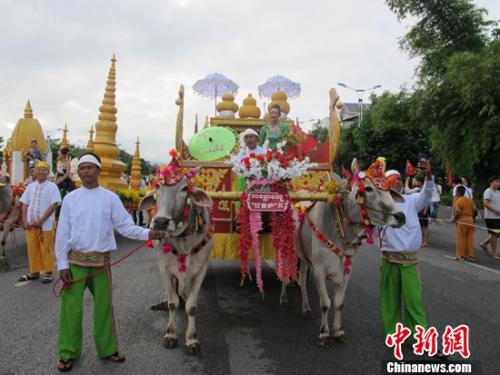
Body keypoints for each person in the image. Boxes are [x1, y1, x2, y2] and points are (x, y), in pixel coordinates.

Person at [55, 153, 164, 372]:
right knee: (71, 309)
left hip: (100, 263)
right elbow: (62, 233)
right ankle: (67, 353)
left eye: (89, 167)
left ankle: (108, 349)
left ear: (98, 170)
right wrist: (62, 265)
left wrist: (148, 233)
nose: (85, 171)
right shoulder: (70, 199)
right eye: (82, 168)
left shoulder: (110, 198)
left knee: (104, 308)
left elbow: (125, 226)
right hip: (75, 262)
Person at [378, 161, 444, 358]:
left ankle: (421, 339)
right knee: (390, 300)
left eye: (399, 178)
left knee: (413, 301)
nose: (397, 181)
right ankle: (394, 334)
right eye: (392, 179)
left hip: (409, 262)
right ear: (386, 182)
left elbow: (427, 193)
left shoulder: (412, 200)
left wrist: (429, 175)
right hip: (388, 260)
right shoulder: (379, 205)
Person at [17, 161, 61, 283]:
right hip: (31, 225)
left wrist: (41, 221)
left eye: (44, 170)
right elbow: (24, 204)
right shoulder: (30, 187)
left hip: (45, 225)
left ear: (48, 172)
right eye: (39, 169)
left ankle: (49, 273)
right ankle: (34, 272)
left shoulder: (52, 187)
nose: (41, 172)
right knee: (32, 248)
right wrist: (25, 220)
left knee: (46, 248)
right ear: (35, 172)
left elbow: (53, 205)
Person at [453, 185, 476, 262]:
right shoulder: (470, 200)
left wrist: (454, 219)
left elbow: (457, 212)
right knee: (469, 238)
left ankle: (461, 255)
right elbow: (475, 210)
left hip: (462, 220)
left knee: (461, 238)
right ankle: (469, 255)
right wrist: (471, 216)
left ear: (458, 192)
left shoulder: (458, 200)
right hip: (470, 220)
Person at [479, 176, 500, 259]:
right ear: (491, 182)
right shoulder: (488, 191)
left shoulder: (498, 192)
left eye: (499, 182)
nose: (498, 183)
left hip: (498, 217)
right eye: (496, 182)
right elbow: (486, 203)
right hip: (491, 217)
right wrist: (496, 211)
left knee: (498, 233)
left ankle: (484, 243)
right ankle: (494, 253)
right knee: (494, 234)